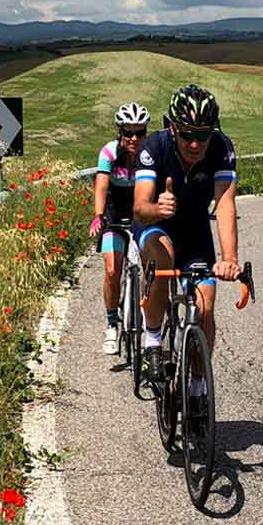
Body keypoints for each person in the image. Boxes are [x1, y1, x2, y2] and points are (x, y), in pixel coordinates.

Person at [133, 84, 240, 392]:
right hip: (156, 226)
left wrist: (229, 259)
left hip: (194, 230)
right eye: (187, 135)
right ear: (172, 128)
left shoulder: (222, 148)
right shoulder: (153, 148)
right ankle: (152, 341)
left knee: (205, 307)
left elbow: (225, 205)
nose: (195, 144)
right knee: (162, 255)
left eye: (203, 135)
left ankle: (197, 384)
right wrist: (157, 207)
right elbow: (139, 207)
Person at [90, 102, 151, 354]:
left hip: (141, 212)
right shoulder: (109, 152)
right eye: (128, 133)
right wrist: (98, 216)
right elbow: (101, 186)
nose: (134, 138)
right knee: (113, 268)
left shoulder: (151, 154)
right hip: (114, 214)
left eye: (139, 132)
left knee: (152, 265)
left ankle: (151, 322)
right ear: (120, 133)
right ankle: (112, 324)